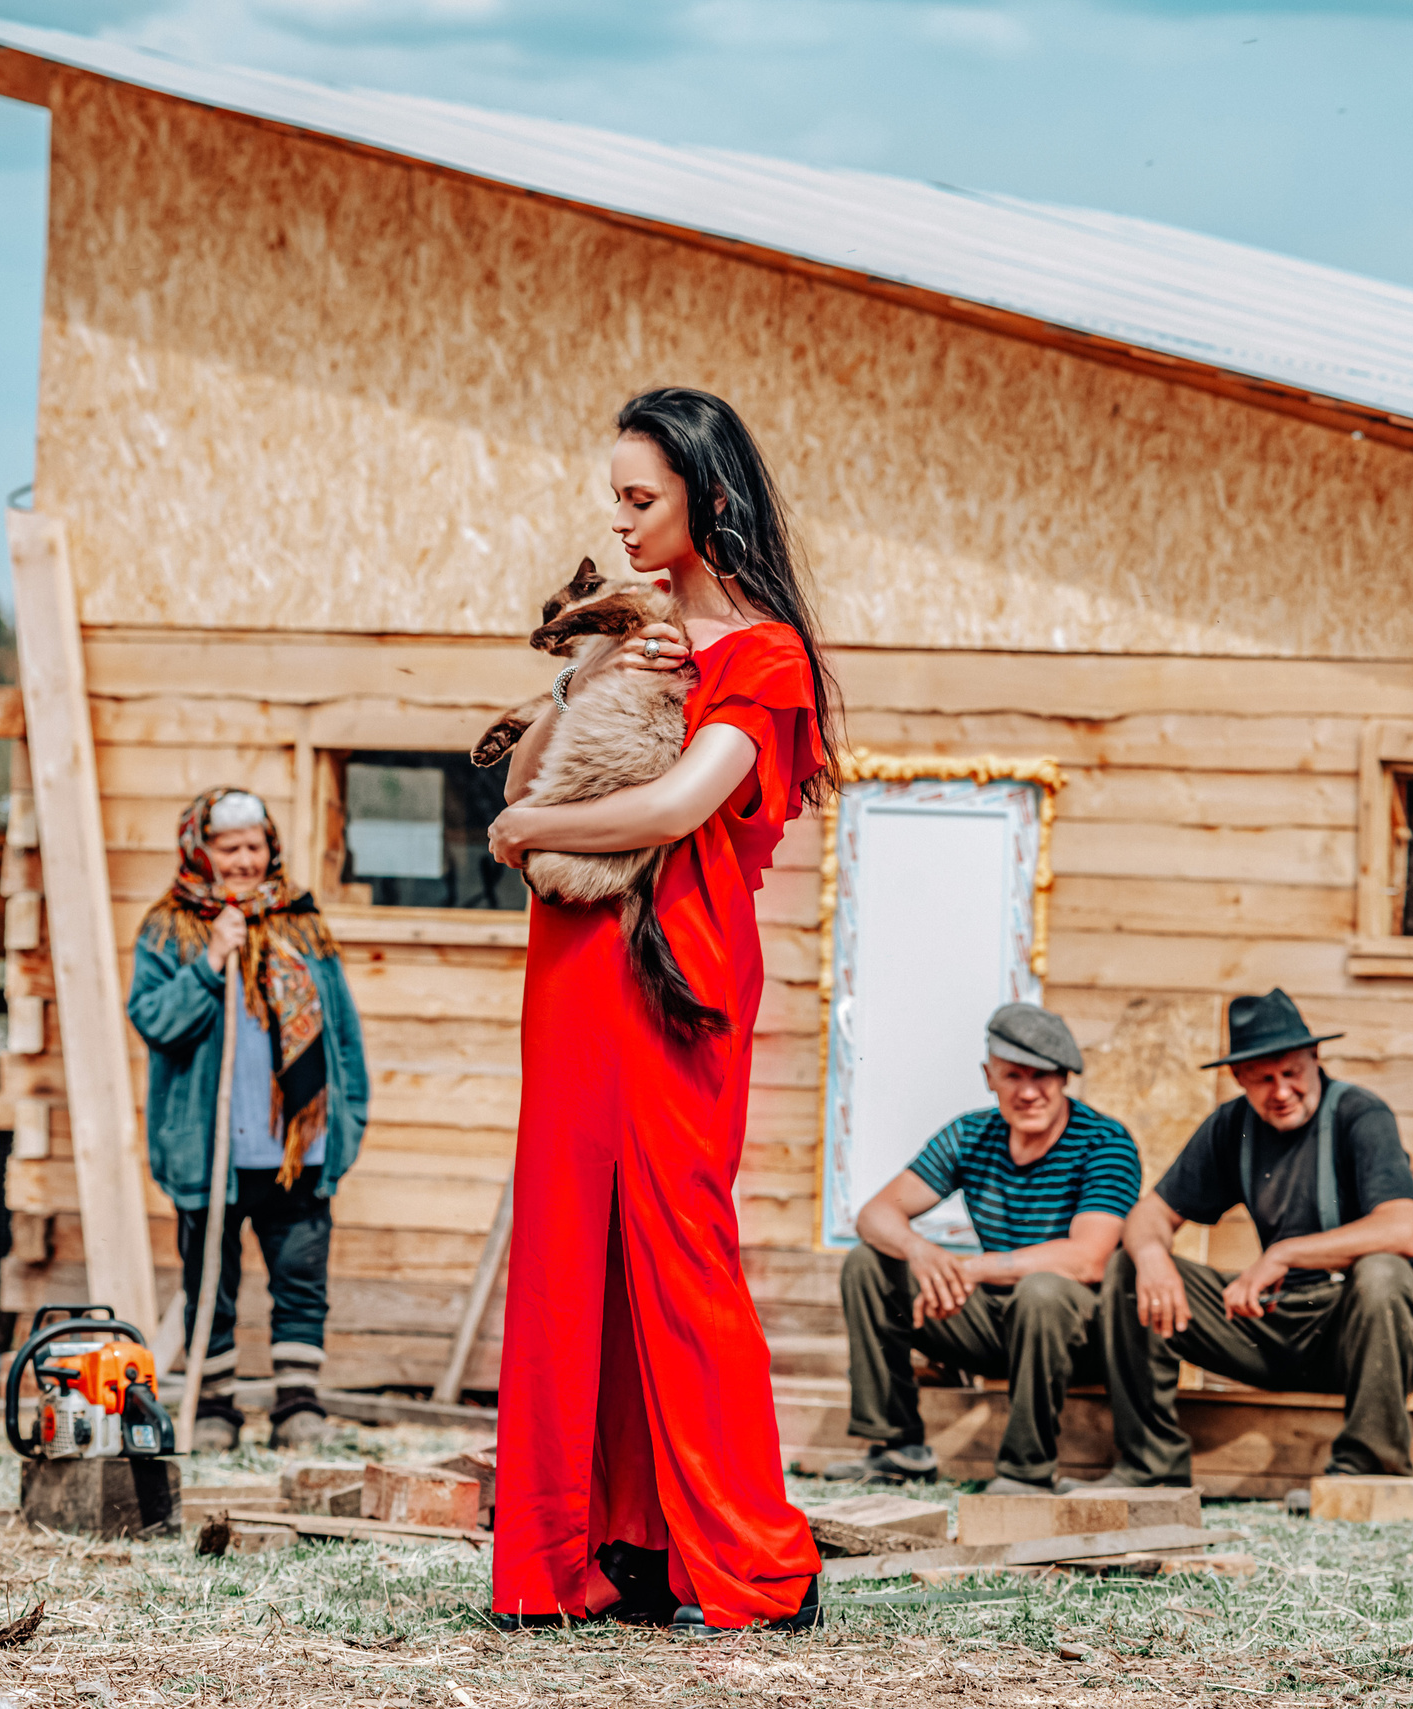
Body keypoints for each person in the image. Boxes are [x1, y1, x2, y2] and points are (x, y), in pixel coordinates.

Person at [484, 387, 838, 1636]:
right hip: (573, 960)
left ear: (710, 496)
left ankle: (753, 1559)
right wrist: (584, 681)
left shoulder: (764, 655)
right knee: (567, 1242)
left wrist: (528, 829)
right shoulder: (628, 630)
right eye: (616, 500)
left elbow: (680, 805)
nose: (622, 523)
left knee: (679, 1246)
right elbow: (529, 769)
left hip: (672, 968)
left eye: (642, 499)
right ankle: (598, 1550)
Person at [1068, 989, 1413, 1491]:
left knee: (1382, 1272)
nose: (1281, 1091)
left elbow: (1401, 1229)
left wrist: (1284, 1253)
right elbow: (1147, 1215)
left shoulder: (1360, 1115)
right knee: (1129, 1268)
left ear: (1315, 1058)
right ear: (1239, 1078)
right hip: (1276, 1325)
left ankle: (1368, 1473)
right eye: (1263, 1079)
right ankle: (1149, 1466)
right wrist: (1153, 1256)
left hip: (1369, 1333)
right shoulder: (1232, 1126)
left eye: (1291, 1073)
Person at [126, 788, 370, 1451]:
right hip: (209, 1151)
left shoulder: (303, 923)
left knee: (300, 1280)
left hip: (297, 1146)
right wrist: (210, 961)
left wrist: (348, 1117)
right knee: (211, 1281)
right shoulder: (169, 928)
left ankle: (298, 1405)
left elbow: (342, 1033)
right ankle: (214, 1406)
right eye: (228, 847)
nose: (243, 860)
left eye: (254, 846)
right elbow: (154, 1021)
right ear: (199, 850)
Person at [826, 1003, 1141, 1495]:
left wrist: (972, 1269)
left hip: (1078, 1335)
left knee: (1042, 1291)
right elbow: (874, 1214)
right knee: (868, 1263)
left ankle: (1026, 1470)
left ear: (1064, 1078)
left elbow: (1089, 1257)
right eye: (1013, 1075)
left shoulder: (1105, 1142)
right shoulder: (971, 1135)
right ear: (988, 1076)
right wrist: (920, 1250)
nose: (1028, 1092)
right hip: (993, 1324)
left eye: (1042, 1076)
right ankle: (896, 1447)